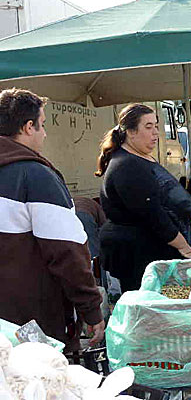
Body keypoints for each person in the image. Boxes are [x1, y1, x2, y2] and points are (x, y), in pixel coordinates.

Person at [0, 88, 104, 350]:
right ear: (28, 127)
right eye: (43, 125)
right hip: (31, 324)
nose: (45, 134)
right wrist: (90, 309)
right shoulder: (35, 176)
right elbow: (68, 252)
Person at [97, 104, 191, 292]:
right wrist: (185, 248)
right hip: (139, 259)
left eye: (156, 126)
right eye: (148, 127)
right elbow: (153, 215)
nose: (156, 133)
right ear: (131, 132)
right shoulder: (126, 166)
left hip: (153, 253)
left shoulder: (140, 157)